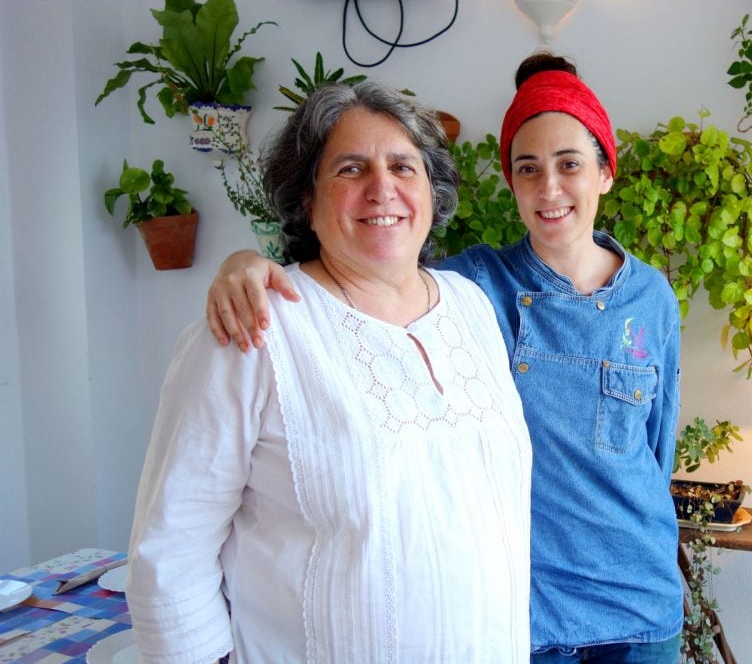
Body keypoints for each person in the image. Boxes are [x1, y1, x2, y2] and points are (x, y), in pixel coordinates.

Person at [205, 54, 684, 663]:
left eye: (570, 165)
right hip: (526, 610)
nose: (550, 188)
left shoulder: (652, 298)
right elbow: (371, 268)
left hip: (640, 605)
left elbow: (656, 448)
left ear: (605, 173)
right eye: (527, 168)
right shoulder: (473, 285)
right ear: (510, 182)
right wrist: (243, 261)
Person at [127, 83, 532, 663]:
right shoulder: (254, 328)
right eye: (350, 168)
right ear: (305, 201)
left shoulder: (471, 306)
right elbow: (172, 550)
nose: (382, 188)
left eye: (402, 166)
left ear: (431, 191)